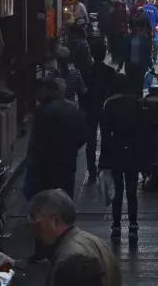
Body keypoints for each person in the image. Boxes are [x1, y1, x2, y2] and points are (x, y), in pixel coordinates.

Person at [29, 189, 122, 286]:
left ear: (55, 221)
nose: (33, 225)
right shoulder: (96, 242)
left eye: (34, 218)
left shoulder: (71, 262)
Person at [26, 78, 88, 199]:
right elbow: (83, 136)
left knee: (46, 199)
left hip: (46, 166)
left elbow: (37, 142)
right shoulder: (73, 109)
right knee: (65, 197)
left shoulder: (42, 110)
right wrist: (70, 148)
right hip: (68, 161)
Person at [99, 74, 145, 239]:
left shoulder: (109, 104)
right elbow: (143, 130)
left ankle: (116, 225)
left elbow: (105, 133)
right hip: (133, 150)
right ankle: (133, 224)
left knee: (117, 190)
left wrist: (104, 159)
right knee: (132, 191)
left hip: (115, 149)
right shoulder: (136, 103)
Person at [83, 39, 119, 182]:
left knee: (91, 140)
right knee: (106, 136)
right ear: (104, 54)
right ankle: (104, 164)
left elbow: (83, 92)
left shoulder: (86, 71)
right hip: (106, 109)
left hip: (90, 109)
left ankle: (91, 169)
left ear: (92, 54)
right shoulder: (110, 72)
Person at [125, 17, 153, 93]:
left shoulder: (143, 38)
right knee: (135, 87)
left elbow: (147, 53)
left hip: (138, 67)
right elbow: (125, 53)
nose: (135, 28)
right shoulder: (128, 38)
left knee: (137, 87)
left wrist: (150, 65)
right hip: (134, 68)